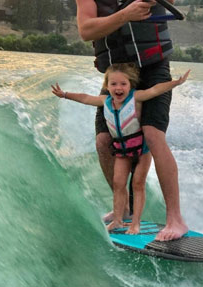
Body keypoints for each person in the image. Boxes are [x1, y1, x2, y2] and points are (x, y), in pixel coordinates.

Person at [75, 0, 188, 240]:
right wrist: (124, 15)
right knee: (103, 141)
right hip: (117, 75)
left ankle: (175, 220)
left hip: (152, 67)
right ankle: (123, 208)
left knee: (152, 133)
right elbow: (86, 30)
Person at [51, 64, 190, 234]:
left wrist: (175, 83)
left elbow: (154, 90)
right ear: (107, 86)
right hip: (123, 152)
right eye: (114, 84)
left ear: (130, 85)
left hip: (141, 151)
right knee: (118, 183)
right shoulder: (105, 101)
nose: (118, 88)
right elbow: (85, 98)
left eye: (123, 84)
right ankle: (117, 220)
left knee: (138, 184)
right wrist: (65, 95)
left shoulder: (136, 98)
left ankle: (135, 224)